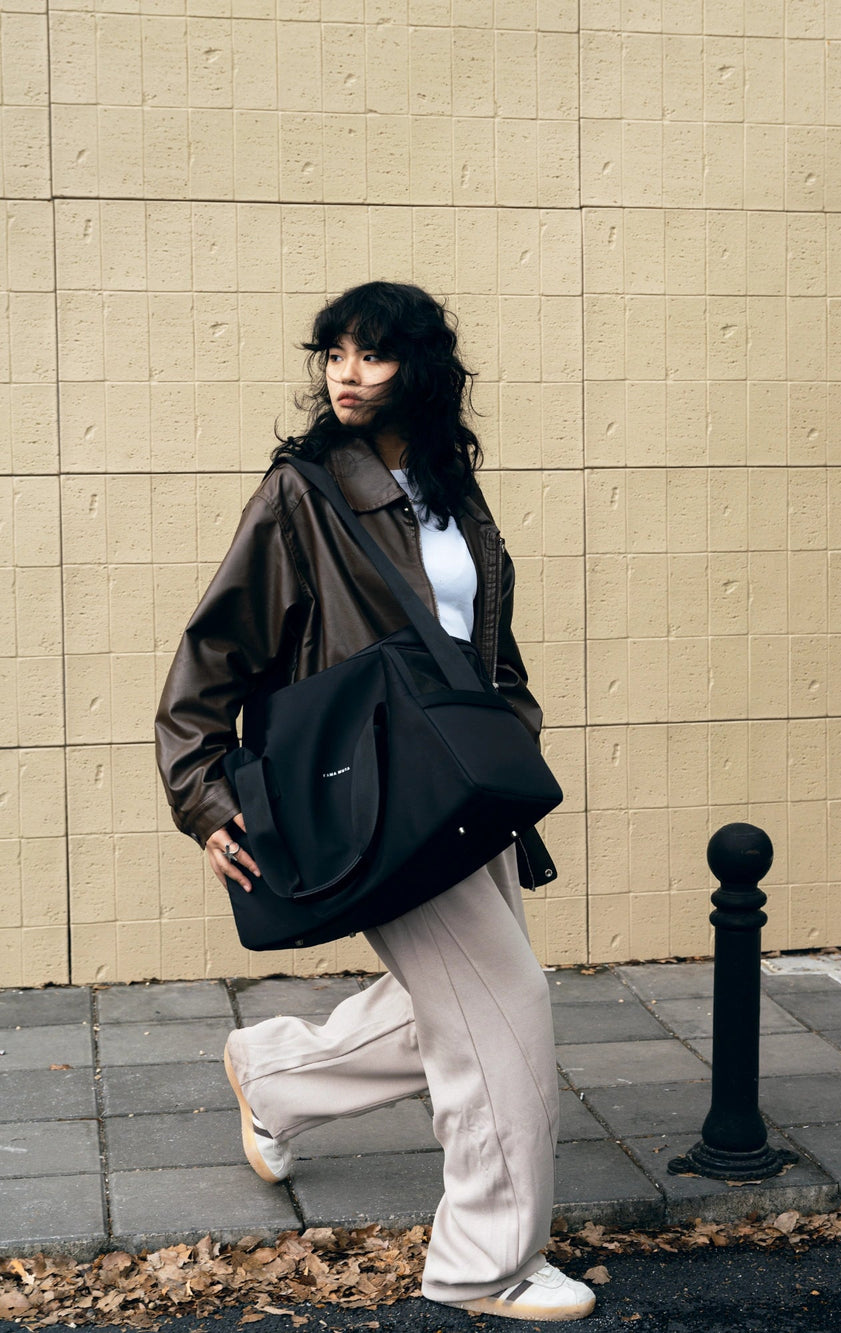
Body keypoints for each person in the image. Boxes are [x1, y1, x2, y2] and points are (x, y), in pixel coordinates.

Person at [154, 282, 595, 1322]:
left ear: (421, 368)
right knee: (505, 1010)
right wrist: (205, 793)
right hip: (381, 790)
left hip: (464, 782)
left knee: (446, 1008)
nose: (347, 374)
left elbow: (486, 633)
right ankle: (484, 1263)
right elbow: (213, 650)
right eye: (335, 354)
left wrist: (511, 731)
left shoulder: (448, 485)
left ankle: (275, 1076)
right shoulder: (302, 492)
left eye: (373, 355)